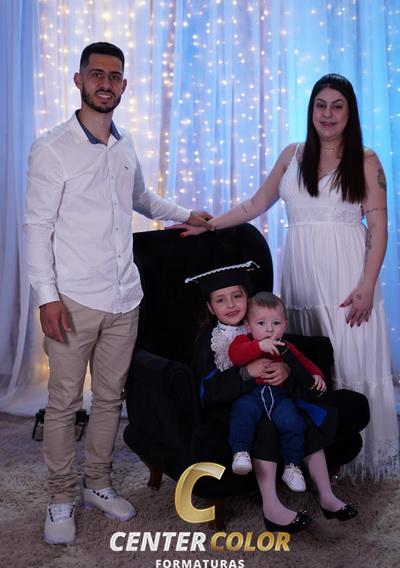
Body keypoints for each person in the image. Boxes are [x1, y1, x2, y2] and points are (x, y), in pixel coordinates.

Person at [24, 41, 213, 546]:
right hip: (73, 298)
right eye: (96, 74)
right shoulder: (51, 148)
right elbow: (36, 228)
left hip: (125, 296)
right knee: (65, 403)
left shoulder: (125, 145)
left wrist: (185, 215)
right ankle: (61, 494)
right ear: (79, 80)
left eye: (114, 76)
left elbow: (141, 198)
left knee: (110, 398)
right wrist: (47, 297)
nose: (105, 83)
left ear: (124, 85)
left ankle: (97, 483)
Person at [176, 73, 399, 481]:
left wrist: (367, 285)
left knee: (348, 356)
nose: (327, 114)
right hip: (302, 275)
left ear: (350, 113)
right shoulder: (292, 155)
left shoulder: (365, 160)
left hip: (347, 276)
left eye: (337, 106)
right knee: (304, 357)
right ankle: (311, 453)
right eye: (320, 105)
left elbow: (380, 227)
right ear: (311, 110)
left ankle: (353, 454)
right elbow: (255, 204)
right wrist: (209, 225)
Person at [188, 262, 359, 532]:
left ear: (247, 297)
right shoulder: (209, 341)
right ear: (210, 307)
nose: (231, 304)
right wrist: (247, 372)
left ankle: (326, 495)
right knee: (266, 428)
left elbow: (289, 354)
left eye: (237, 296)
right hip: (232, 405)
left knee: (303, 420)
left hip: (273, 396)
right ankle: (272, 508)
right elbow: (209, 390)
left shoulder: (260, 324)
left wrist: (286, 370)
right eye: (220, 300)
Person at [228, 291, 327, 495]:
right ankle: (240, 452)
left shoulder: (286, 346)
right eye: (261, 323)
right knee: (241, 411)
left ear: (285, 325)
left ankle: (292, 466)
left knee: (294, 422)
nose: (269, 329)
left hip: (280, 397)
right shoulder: (243, 341)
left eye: (276, 323)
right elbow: (235, 356)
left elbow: (303, 363)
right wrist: (259, 346)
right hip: (252, 395)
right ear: (248, 326)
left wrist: (317, 375)